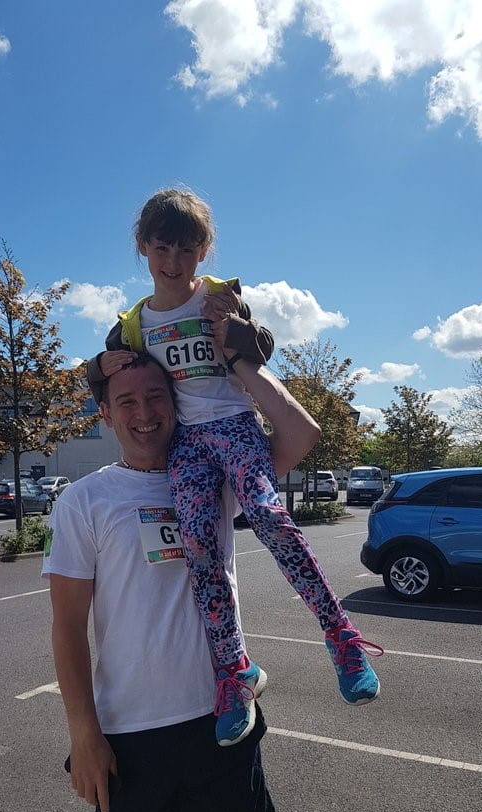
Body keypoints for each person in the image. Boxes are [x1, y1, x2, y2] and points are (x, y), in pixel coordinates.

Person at [46, 353, 316, 812]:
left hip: (218, 725)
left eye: (155, 396)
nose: (144, 413)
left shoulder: (216, 475)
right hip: (129, 738)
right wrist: (84, 734)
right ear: (104, 414)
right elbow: (66, 627)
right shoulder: (86, 500)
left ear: (176, 401)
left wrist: (242, 362)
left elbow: (300, 435)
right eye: (126, 401)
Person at [87, 187, 382, 748]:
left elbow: (263, 346)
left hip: (236, 427)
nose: (173, 263)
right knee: (201, 552)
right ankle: (235, 672)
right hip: (186, 446)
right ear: (143, 248)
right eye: (162, 249)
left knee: (271, 517)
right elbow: (103, 375)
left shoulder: (219, 297)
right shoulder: (133, 324)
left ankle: (341, 636)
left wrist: (240, 331)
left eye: (187, 250)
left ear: (204, 251)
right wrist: (99, 365)